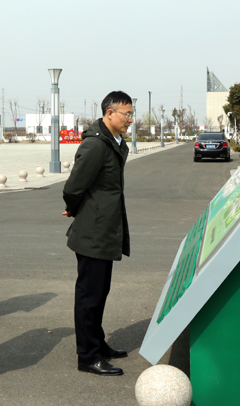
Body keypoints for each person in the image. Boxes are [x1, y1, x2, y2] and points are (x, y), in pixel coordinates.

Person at [62, 91, 133, 376]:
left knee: (100, 292)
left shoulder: (113, 142)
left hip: (104, 228)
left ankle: (97, 343)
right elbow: (73, 187)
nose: (130, 119)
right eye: (127, 114)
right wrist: (75, 208)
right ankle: (88, 356)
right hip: (93, 231)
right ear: (109, 113)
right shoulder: (95, 145)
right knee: (89, 296)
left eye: (132, 114)